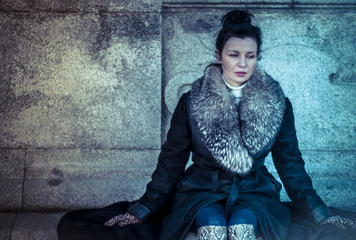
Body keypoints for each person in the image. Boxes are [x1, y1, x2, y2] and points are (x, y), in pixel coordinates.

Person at [58, 9, 356, 240]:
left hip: (254, 191)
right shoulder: (191, 102)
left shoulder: (278, 103)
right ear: (219, 56)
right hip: (200, 191)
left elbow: (291, 165)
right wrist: (142, 209)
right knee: (212, 229)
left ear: (257, 58)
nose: (242, 64)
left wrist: (318, 212)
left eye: (250, 56)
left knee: (241, 227)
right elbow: (171, 162)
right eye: (234, 55)